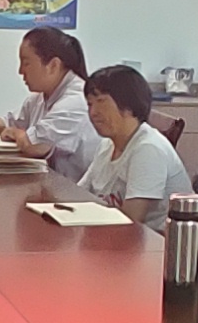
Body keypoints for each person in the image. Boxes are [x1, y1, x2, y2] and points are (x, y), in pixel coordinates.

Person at [0, 28, 94, 180]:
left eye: (26, 63)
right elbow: (9, 123)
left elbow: (34, 145)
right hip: (45, 182)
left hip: (72, 189)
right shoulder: (39, 98)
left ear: (53, 65)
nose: (20, 71)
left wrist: (16, 133)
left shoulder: (76, 101)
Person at [76, 64, 186, 218]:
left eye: (101, 102)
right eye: (90, 104)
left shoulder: (148, 149)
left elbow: (131, 220)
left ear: (128, 106)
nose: (93, 112)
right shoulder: (107, 145)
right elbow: (79, 195)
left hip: (152, 233)